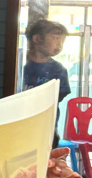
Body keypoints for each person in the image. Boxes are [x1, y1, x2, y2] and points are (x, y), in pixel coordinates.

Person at [23, 19, 71, 147]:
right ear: (37, 39)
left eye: (62, 40)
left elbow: (59, 96)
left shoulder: (58, 69)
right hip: (20, 125)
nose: (59, 44)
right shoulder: (20, 64)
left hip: (47, 127)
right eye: (55, 38)